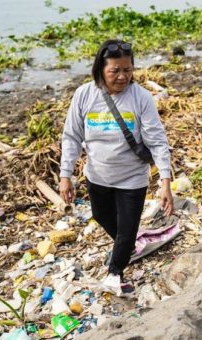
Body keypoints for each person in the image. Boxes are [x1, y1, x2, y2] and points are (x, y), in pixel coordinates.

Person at [59, 39, 173, 294]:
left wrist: (165, 183)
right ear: (101, 69)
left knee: (127, 228)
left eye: (128, 70)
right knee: (101, 216)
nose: (122, 77)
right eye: (115, 71)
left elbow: (157, 141)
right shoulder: (84, 95)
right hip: (97, 175)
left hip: (132, 178)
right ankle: (128, 243)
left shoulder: (141, 98)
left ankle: (115, 272)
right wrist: (65, 175)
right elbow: (72, 136)